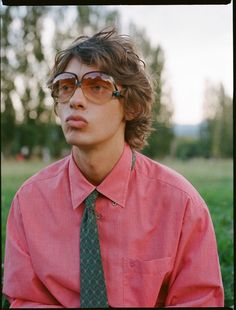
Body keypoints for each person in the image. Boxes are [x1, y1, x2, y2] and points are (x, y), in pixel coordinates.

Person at [3, 27, 224, 308]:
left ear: (130, 106)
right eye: (66, 87)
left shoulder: (182, 205)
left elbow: (199, 301)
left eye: (97, 86)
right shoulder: (29, 202)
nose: (75, 100)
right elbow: (26, 301)